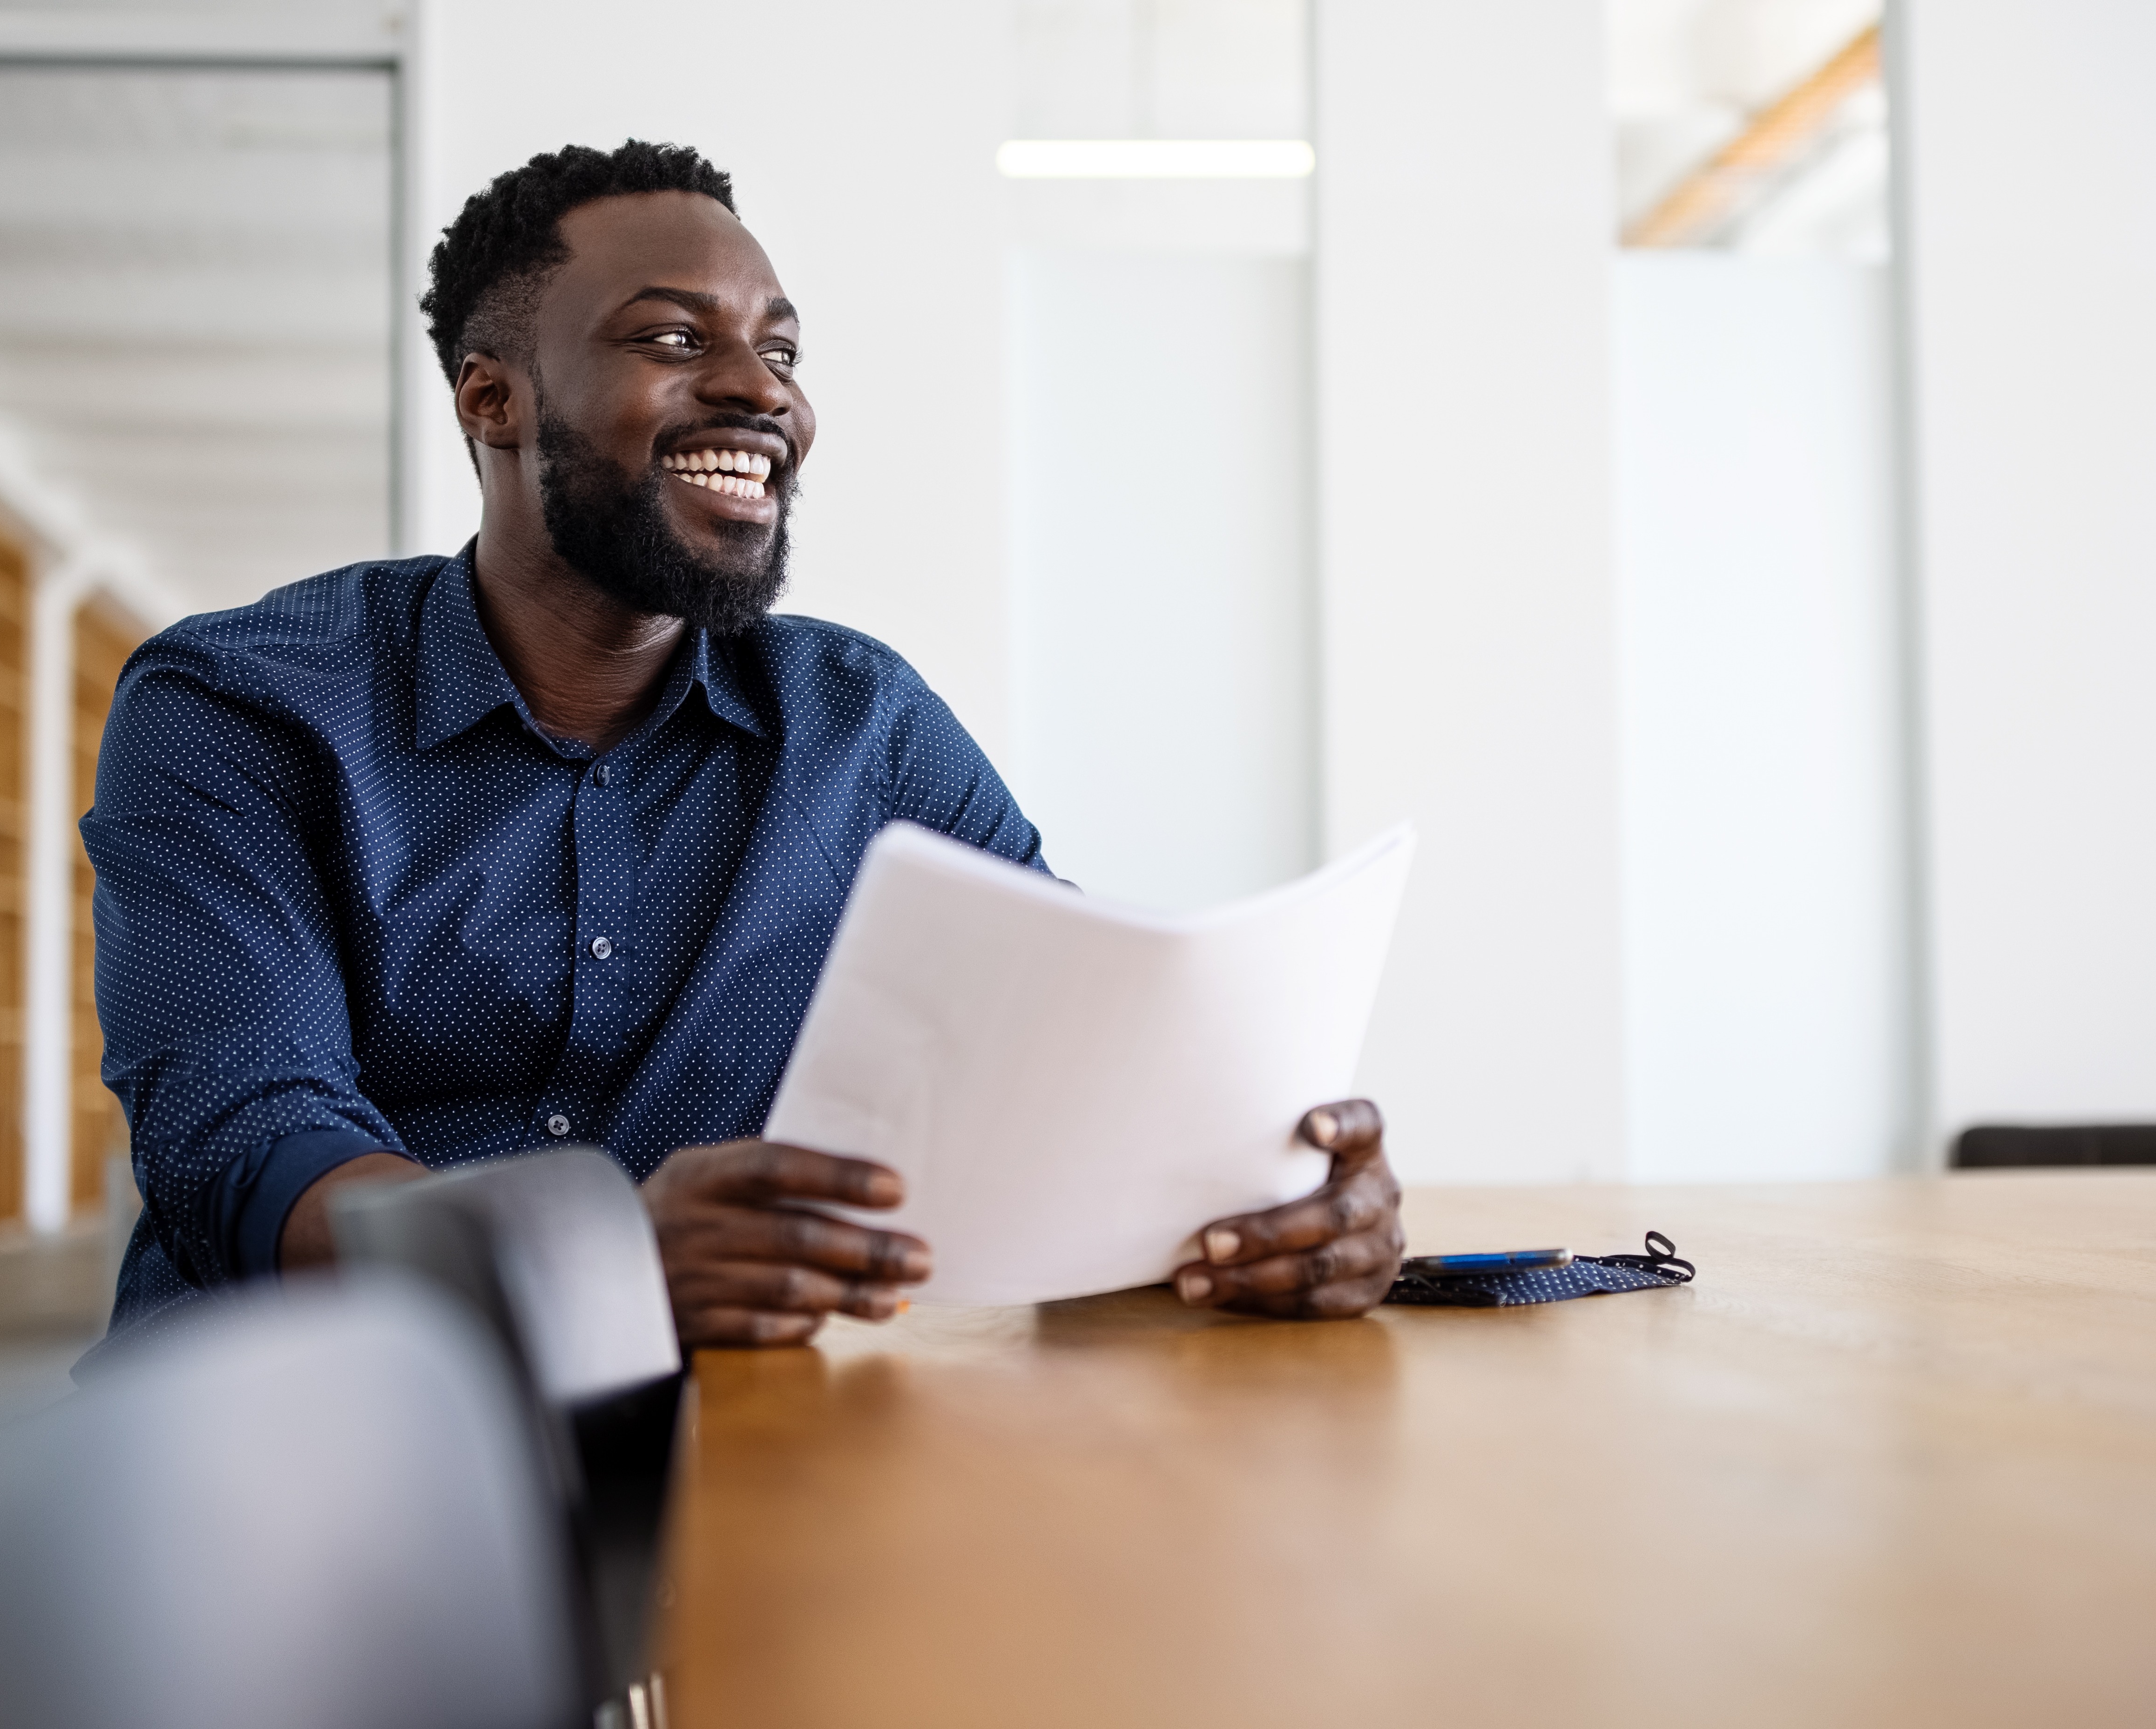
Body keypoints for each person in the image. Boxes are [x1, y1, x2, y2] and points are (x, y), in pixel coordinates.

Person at [81, 140, 1400, 1357]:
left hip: (720, 1444)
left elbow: (1071, 1068)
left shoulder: (862, 726)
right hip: (303, 1448)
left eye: (782, 349)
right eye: (671, 335)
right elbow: (246, 1144)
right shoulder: (238, 706)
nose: (760, 390)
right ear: (495, 398)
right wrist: (594, 1261)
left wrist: (1266, 1211)